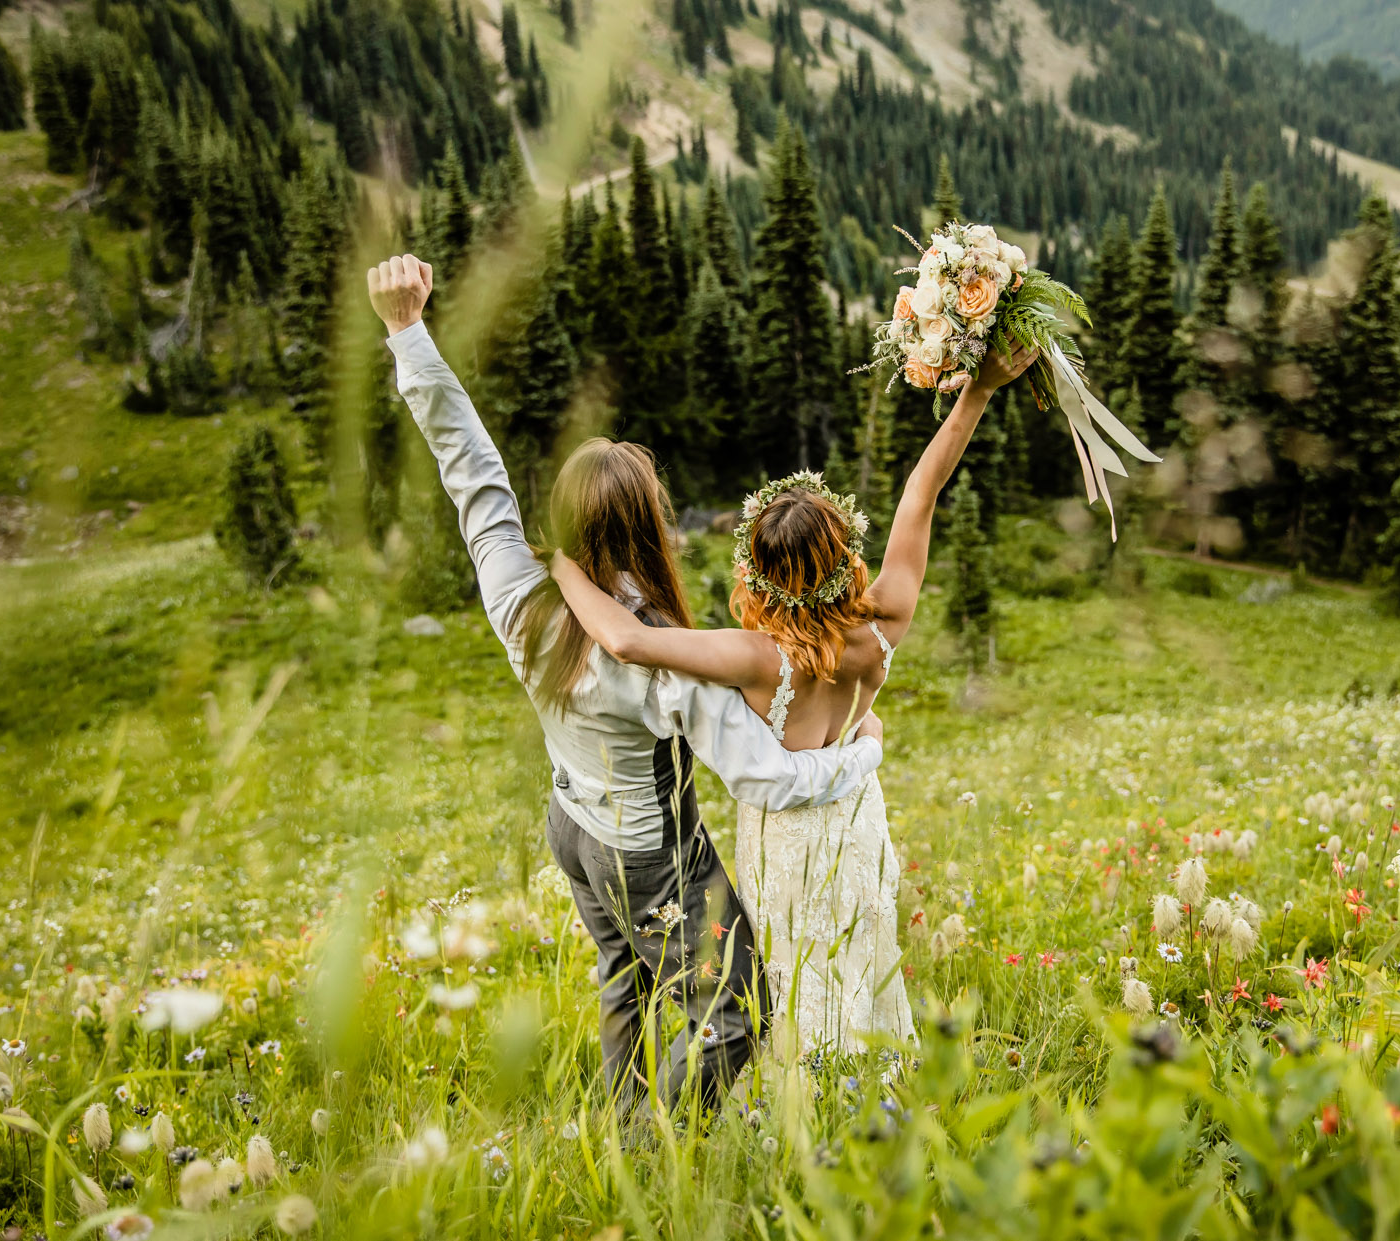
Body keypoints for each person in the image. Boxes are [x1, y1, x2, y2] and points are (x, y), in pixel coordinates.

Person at [366, 253, 885, 1112]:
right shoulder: (664, 663)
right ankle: (653, 1150)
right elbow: (766, 777)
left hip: (570, 825)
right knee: (732, 1013)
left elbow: (472, 470)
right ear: (651, 522)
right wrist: (862, 753)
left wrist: (407, 333)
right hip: (652, 859)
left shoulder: (516, 588)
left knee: (624, 981)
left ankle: (622, 1131)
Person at [549, 339, 1037, 1054]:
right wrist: (982, 388)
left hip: (783, 840)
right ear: (846, 555)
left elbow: (625, 640)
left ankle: (804, 1098)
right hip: (854, 821)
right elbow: (921, 490)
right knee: (861, 954)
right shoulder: (884, 622)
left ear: (759, 574)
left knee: (791, 970)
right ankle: (872, 1084)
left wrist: (564, 564)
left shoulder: (753, 658)